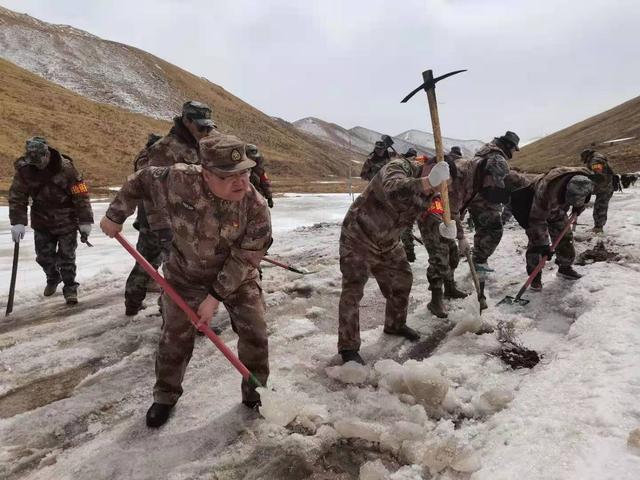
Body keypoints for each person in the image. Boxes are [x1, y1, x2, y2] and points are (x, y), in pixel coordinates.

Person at [100, 134, 271, 427]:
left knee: (255, 333)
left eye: (244, 172)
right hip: (184, 276)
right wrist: (115, 215)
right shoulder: (178, 179)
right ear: (205, 173)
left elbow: (246, 257)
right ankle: (165, 396)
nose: (240, 182)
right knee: (174, 339)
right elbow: (140, 179)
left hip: (236, 279)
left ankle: (255, 393)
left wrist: (214, 298)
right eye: (228, 175)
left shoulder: (255, 206)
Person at [337, 154, 451, 365]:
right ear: (426, 167)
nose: (435, 187)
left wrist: (448, 229)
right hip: (359, 235)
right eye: (434, 178)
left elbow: (434, 214)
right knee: (353, 290)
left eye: (440, 183)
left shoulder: (432, 190)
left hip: (389, 242)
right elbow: (394, 187)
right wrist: (427, 182)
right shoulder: (399, 167)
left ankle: (395, 324)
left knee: (403, 279)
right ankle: (348, 347)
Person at [124, 101, 216, 316]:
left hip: (186, 220)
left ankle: (135, 303)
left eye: (207, 126)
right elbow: (152, 190)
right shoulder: (164, 149)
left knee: (150, 263)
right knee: (171, 269)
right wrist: (163, 227)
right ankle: (176, 316)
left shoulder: (198, 145)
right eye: (201, 126)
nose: (205, 131)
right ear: (187, 120)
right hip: (163, 222)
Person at [9, 137, 94, 305]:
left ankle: (70, 288)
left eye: (40, 161)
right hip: (42, 221)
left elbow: (81, 194)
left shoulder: (67, 169)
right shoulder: (25, 170)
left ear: (47, 154)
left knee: (67, 258)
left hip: (67, 220)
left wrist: (85, 221)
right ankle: (53, 277)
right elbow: (17, 197)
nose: (38, 165)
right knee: (43, 257)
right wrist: (18, 222)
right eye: (34, 162)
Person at [511, 167, 593, 290]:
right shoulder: (546, 191)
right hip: (533, 205)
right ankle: (535, 277)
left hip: (558, 209)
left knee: (565, 236)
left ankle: (565, 267)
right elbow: (537, 221)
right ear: (566, 191)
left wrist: (578, 207)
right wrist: (544, 246)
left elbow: (585, 197)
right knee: (536, 244)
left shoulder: (586, 180)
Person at [468, 131, 520, 298]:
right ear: (509, 145)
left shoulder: (485, 150)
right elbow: (499, 180)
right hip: (485, 201)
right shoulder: (496, 156)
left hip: (474, 199)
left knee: (482, 230)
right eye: (513, 148)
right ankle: (480, 261)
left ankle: (478, 260)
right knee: (494, 231)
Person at [417, 156, 466, 318]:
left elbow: (451, 211)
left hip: (438, 215)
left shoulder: (442, 188)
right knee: (439, 256)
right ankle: (435, 299)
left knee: (452, 253)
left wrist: (459, 236)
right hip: (426, 218)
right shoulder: (423, 180)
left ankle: (450, 287)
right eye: (448, 183)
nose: (449, 188)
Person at [581, 149, 616, 233]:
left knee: (600, 208)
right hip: (605, 187)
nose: (585, 163)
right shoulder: (599, 158)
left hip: (604, 188)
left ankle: (598, 228)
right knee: (600, 207)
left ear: (587, 157)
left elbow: (598, 176)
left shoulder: (595, 161)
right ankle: (598, 227)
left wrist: (586, 180)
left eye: (585, 161)